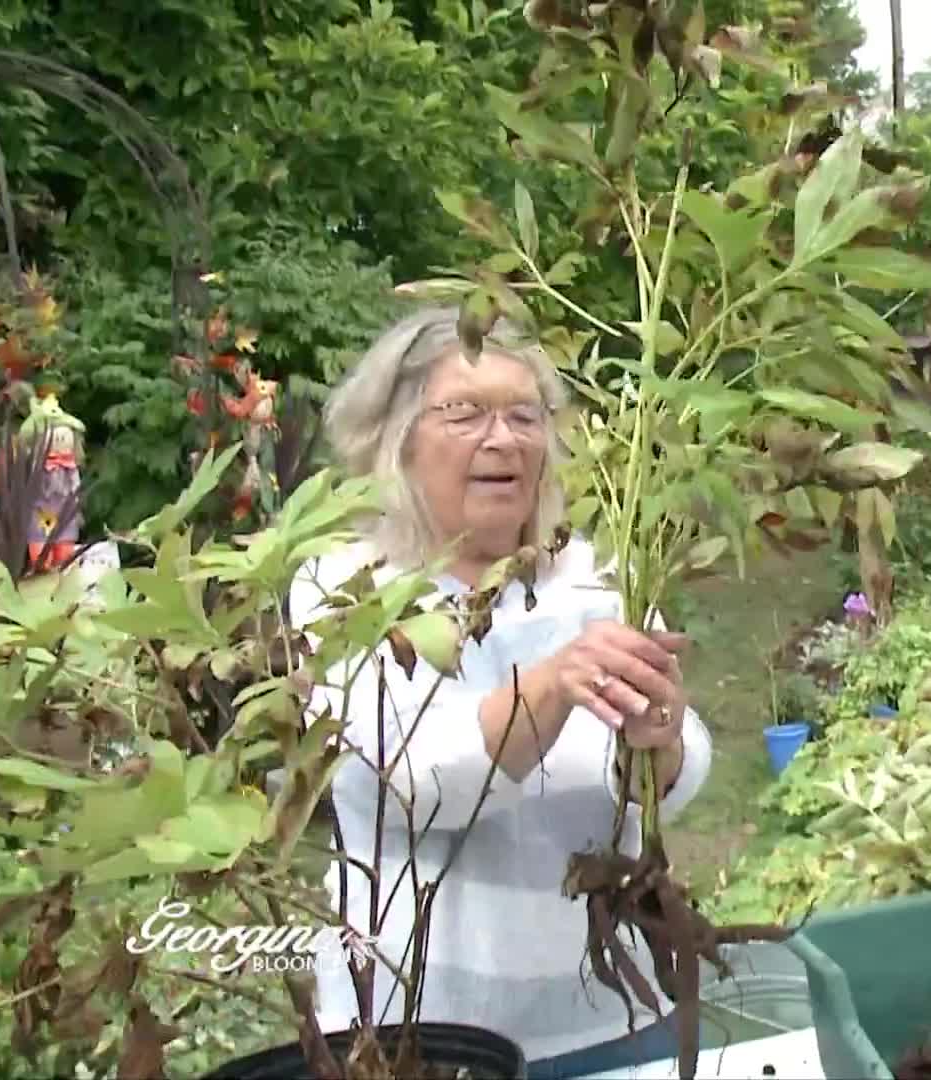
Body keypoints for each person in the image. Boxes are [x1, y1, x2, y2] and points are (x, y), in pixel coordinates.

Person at [285, 307, 714, 1078]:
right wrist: (551, 684)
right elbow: (406, 786)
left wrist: (667, 741)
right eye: (466, 412)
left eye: (525, 415)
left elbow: (675, 776)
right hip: (422, 1035)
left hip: (616, 1014)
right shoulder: (344, 589)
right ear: (396, 438)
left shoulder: (592, 576)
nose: (504, 438)